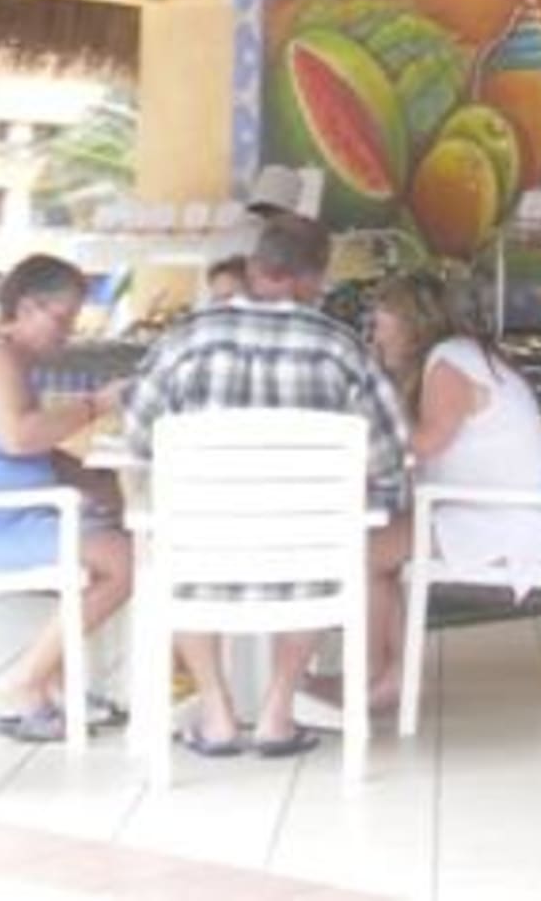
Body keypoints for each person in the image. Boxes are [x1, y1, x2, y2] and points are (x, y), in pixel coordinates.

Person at [122, 212, 411, 759]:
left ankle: (217, 713)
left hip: (200, 555)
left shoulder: (187, 339)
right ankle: (278, 713)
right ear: (315, 279)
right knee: (325, 541)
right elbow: (389, 454)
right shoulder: (341, 348)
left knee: (166, 547)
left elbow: (137, 434)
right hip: (304, 560)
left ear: (255, 268)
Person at [322, 274, 541, 713]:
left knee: (363, 554)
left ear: (410, 325)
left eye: (381, 326)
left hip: (503, 522)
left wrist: (365, 435)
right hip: (499, 514)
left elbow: (427, 443)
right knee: (377, 552)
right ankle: (388, 675)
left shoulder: (449, 362)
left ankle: (373, 678)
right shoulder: (461, 355)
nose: (375, 338)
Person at [0, 255, 134, 744]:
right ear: (25, 308)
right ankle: (28, 680)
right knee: (126, 561)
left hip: (9, 519)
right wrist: (95, 406)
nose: (67, 333)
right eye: (61, 320)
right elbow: (19, 437)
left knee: (119, 537)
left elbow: (32, 448)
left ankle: (58, 684)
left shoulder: (11, 360)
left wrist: (94, 481)